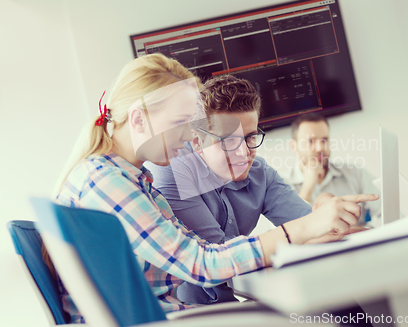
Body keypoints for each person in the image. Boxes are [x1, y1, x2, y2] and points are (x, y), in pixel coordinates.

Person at [53, 54, 373, 323]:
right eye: (180, 122)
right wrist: (302, 228)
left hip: (177, 314)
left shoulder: (130, 179)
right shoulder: (108, 182)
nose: (187, 137)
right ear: (138, 119)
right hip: (174, 318)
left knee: (335, 306)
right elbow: (203, 265)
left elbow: (201, 253)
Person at [148, 75, 379, 305]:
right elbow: (217, 258)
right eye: (228, 141)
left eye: (250, 137)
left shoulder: (260, 173)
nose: (244, 153)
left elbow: (313, 229)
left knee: (338, 298)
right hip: (192, 312)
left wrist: (328, 216)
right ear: (197, 141)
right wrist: (305, 231)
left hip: (245, 298)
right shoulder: (171, 172)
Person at [287, 113, 380, 225]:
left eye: (324, 140)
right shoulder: (282, 185)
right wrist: (307, 187)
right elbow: (286, 234)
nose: (320, 147)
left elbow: (386, 214)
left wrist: (365, 230)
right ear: (294, 146)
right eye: (311, 141)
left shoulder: (354, 172)